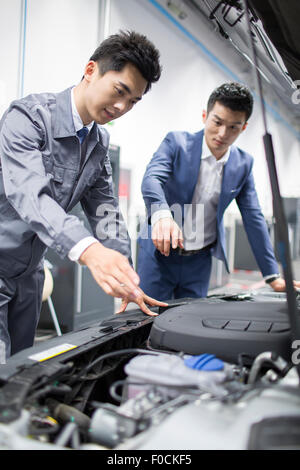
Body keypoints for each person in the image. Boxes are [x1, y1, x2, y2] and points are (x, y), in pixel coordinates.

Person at [0, 30, 166, 358]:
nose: (121, 107)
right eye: (120, 91)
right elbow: (32, 196)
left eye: (133, 101)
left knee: (21, 370)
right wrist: (89, 251)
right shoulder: (28, 118)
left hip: (29, 276)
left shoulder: (98, 144)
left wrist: (126, 275)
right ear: (91, 71)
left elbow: (105, 210)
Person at [136, 82, 300, 301]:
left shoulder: (243, 164)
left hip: (199, 262)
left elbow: (253, 217)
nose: (223, 133)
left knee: (192, 326)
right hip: (160, 256)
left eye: (233, 127)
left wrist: (272, 275)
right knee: (149, 325)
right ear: (205, 115)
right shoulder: (176, 143)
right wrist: (162, 215)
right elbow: (152, 179)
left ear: (244, 127)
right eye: (217, 122)